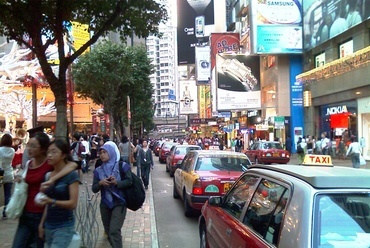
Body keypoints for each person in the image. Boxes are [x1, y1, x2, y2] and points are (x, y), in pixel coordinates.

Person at [12, 132, 77, 248]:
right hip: (26, 213)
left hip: (41, 214)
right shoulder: (28, 164)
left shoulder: (50, 164)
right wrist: (20, 179)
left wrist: (52, 180)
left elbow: (72, 165)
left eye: (33, 146)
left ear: (42, 149)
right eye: (28, 145)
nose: (29, 149)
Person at [37, 139, 79, 247]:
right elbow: (47, 204)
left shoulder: (71, 175)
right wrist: (42, 224)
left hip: (64, 225)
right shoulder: (48, 175)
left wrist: (52, 201)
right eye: (48, 152)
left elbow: (73, 204)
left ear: (63, 155)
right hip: (49, 224)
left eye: (54, 152)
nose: (49, 155)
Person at [92, 143, 133, 248]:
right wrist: (100, 183)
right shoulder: (98, 171)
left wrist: (117, 183)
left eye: (104, 152)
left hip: (119, 202)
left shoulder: (122, 166)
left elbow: (130, 181)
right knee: (109, 232)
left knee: (114, 231)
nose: (102, 155)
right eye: (100, 153)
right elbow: (94, 188)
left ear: (111, 153)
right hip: (105, 204)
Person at [0, 133, 15, 219]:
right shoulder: (12, 151)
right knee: (8, 194)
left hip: (0, 174)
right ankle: (6, 213)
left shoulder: (0, 150)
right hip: (9, 173)